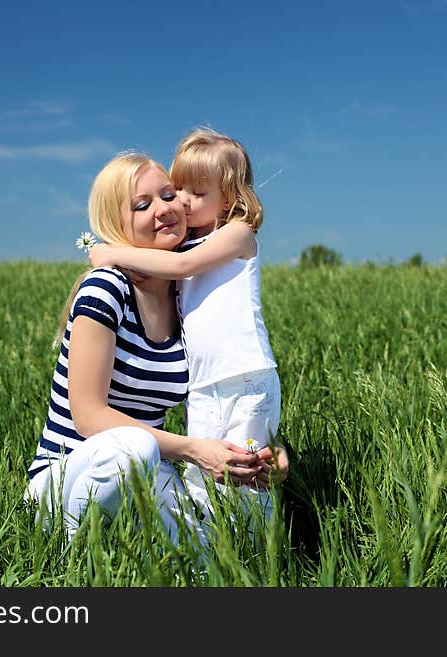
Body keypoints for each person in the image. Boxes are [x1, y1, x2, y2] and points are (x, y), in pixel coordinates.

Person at [25, 151, 288, 545]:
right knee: (134, 448)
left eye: (169, 195)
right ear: (117, 224)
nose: (166, 209)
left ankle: (122, 547)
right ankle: (67, 546)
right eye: (142, 205)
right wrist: (194, 451)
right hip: (68, 475)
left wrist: (264, 451)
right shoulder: (106, 289)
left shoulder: (185, 298)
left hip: (148, 468)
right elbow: (89, 417)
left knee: (211, 553)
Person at [88, 129, 282, 529]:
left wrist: (112, 253)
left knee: (247, 475)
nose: (183, 203)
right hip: (205, 385)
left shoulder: (238, 235)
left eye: (198, 192)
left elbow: (179, 268)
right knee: (206, 468)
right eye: (181, 190)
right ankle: (214, 541)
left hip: (244, 374)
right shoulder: (184, 247)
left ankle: (254, 545)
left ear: (229, 196)